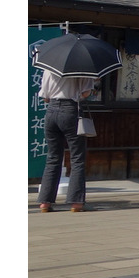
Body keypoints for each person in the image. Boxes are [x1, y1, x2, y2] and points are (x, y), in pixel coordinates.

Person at [36, 69, 97, 212]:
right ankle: (76, 202)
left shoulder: (48, 69)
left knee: (53, 157)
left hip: (51, 111)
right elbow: (86, 93)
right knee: (77, 158)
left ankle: (45, 202)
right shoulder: (82, 68)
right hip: (71, 110)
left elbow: (45, 97)